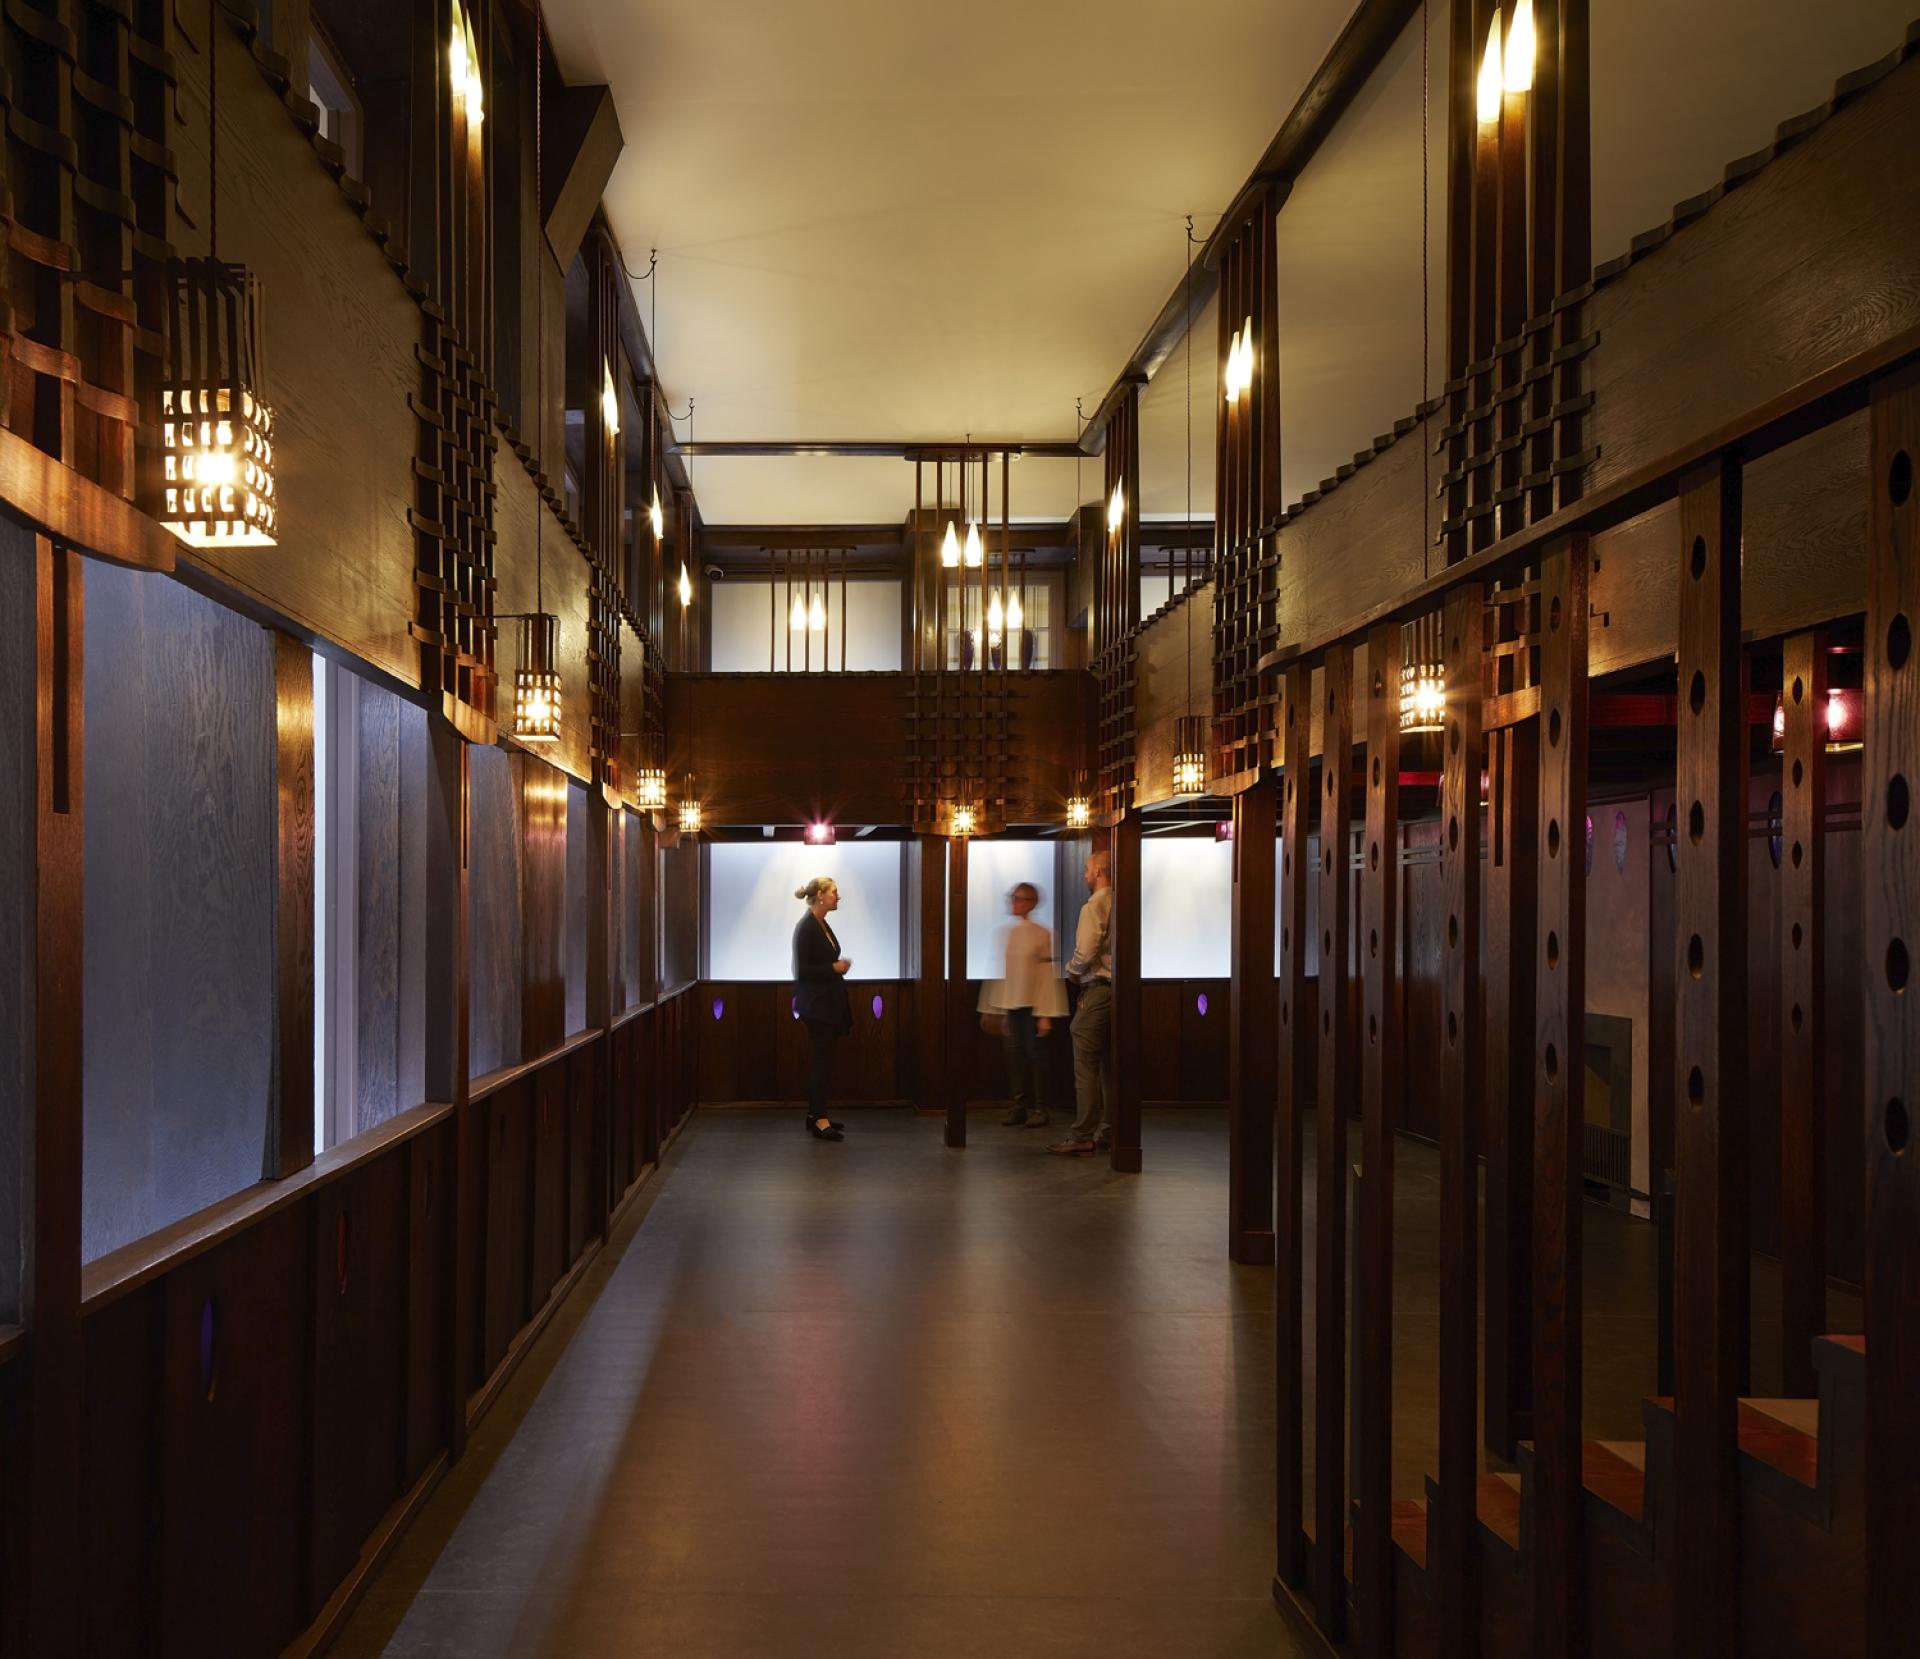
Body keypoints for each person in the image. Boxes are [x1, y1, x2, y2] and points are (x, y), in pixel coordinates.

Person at [980, 882, 1067, 1128]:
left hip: (1033, 1006)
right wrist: (996, 1010)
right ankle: (1019, 1106)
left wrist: (1045, 1014)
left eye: (1019, 898)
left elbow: (1048, 977)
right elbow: (1001, 973)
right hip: (1012, 1005)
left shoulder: (1044, 934)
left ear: (1031, 902)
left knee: (1036, 1057)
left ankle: (1040, 1108)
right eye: (1013, 897)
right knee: (1014, 1056)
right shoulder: (1005, 933)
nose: (1014, 902)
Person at [1049, 848, 1114, 1156]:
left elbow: (1086, 950)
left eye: (1087, 869)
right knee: (1111, 1065)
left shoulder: (1094, 906)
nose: (1085, 874)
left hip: (1097, 990)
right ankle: (1110, 1130)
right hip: (1118, 991)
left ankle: (1082, 1134)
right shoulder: (1121, 902)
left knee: (1086, 1065)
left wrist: (1072, 971)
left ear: (1098, 872)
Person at [791, 876, 852, 1141]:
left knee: (824, 1061)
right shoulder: (806, 927)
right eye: (834, 892)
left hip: (827, 1002)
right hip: (817, 1006)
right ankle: (820, 1119)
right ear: (820, 896)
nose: (838, 896)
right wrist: (834, 968)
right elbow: (802, 970)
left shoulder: (821, 923)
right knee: (820, 1062)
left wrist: (835, 968)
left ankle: (815, 1114)